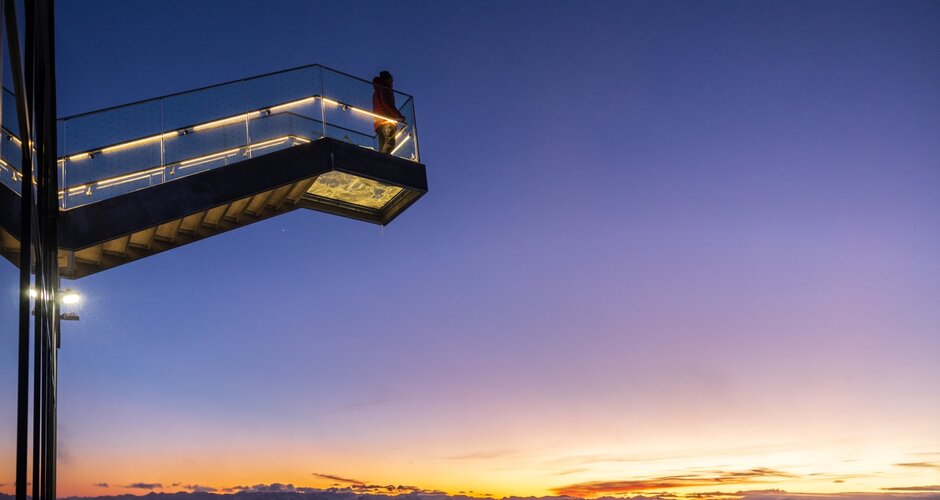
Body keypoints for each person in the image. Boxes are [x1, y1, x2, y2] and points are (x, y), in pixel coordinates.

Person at [372, 70, 407, 154]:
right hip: (387, 120)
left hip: (379, 122)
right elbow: (386, 103)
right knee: (389, 144)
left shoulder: (377, 90)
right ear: (388, 79)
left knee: (382, 146)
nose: (392, 82)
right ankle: (382, 163)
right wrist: (399, 115)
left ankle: (379, 162)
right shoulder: (385, 88)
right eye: (391, 80)